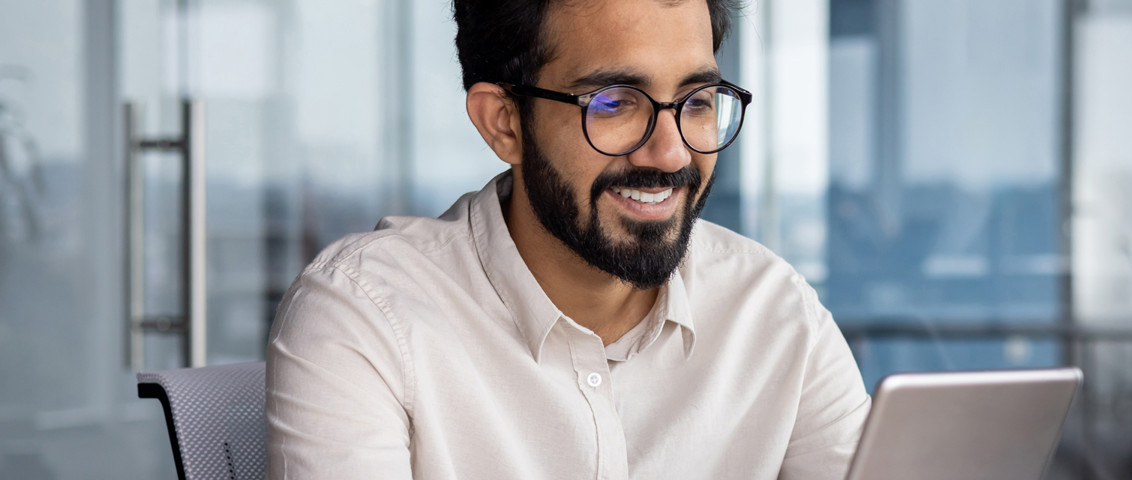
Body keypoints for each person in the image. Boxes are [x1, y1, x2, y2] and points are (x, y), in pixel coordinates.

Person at [264, 0, 870, 478]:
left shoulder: (776, 314)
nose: (671, 151)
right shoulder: (366, 316)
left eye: (698, 100)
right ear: (504, 123)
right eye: (613, 104)